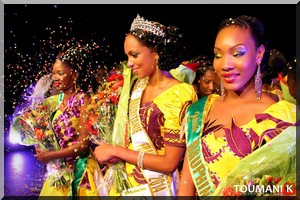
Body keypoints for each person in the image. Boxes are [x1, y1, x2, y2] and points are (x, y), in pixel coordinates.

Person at [177, 15, 297, 197]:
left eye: (237, 53)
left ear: (259, 54)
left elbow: (287, 187)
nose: (225, 64)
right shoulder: (200, 110)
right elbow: (187, 184)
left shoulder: (285, 116)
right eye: (218, 55)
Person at [93, 14, 197, 196]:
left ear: (156, 52)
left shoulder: (179, 94)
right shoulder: (136, 87)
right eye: (127, 56)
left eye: (134, 55)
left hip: (161, 188)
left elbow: (169, 163)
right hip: (130, 185)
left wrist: (117, 150)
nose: (129, 63)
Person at [11, 44, 101, 198]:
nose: (55, 78)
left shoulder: (84, 100)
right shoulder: (54, 102)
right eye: (54, 74)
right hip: (59, 172)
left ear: (75, 74)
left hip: (81, 172)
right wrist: (41, 145)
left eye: (60, 73)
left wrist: (51, 155)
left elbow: (83, 146)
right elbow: (44, 132)